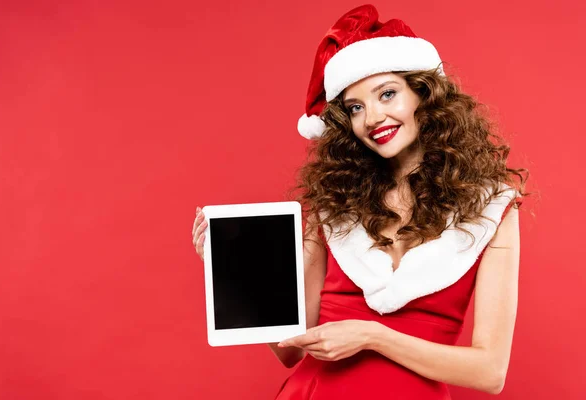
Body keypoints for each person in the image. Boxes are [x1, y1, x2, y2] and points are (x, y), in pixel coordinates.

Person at [192, 4, 530, 399]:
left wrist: (373, 337)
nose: (372, 117)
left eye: (387, 94)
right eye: (356, 107)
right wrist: (232, 268)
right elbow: (289, 350)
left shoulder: (490, 208)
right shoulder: (334, 205)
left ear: (423, 94)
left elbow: (490, 372)